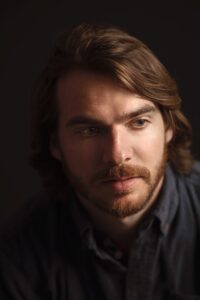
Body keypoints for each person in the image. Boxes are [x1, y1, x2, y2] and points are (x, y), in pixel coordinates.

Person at [0, 23, 199, 300]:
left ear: (169, 127)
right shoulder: (17, 257)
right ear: (55, 144)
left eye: (139, 122)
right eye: (90, 130)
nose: (117, 155)